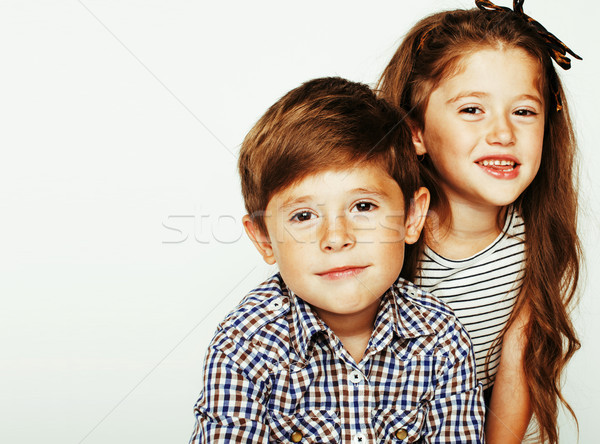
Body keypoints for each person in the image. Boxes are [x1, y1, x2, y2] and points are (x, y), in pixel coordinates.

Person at [189, 77, 485, 443]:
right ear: (265, 239)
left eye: (363, 207)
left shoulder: (440, 337)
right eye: (303, 216)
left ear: (411, 217)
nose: (336, 238)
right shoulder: (245, 345)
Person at [377, 1, 582, 443]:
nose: (503, 133)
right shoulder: (381, 239)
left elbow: (518, 365)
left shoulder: (535, 239)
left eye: (524, 111)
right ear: (416, 132)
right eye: (472, 109)